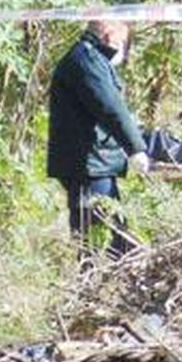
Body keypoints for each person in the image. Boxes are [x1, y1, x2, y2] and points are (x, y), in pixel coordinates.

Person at [47, 20, 150, 257]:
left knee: (108, 235)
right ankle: (95, 288)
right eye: (121, 42)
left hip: (93, 163)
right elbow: (110, 108)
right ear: (108, 35)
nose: (122, 49)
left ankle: (101, 285)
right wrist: (136, 148)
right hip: (89, 166)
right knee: (100, 237)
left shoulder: (89, 59)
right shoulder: (87, 61)